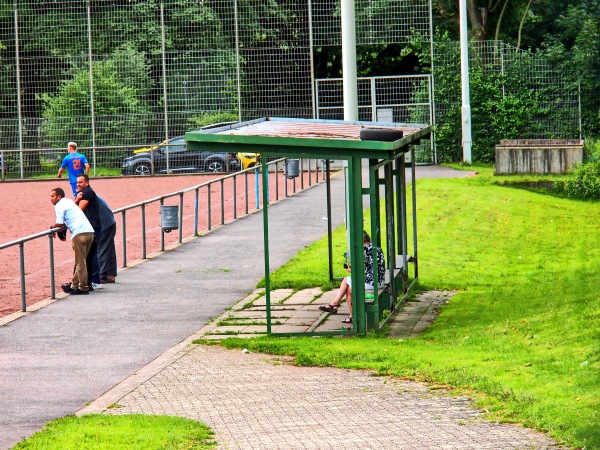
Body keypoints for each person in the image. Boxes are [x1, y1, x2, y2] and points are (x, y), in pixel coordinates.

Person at [319, 230, 385, 324]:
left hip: (372, 283)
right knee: (349, 289)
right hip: (380, 281)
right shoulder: (376, 248)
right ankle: (346, 313)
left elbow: (361, 271)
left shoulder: (364, 250)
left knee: (347, 281)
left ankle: (335, 304)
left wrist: (351, 270)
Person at [50, 187, 95, 295]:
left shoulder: (59, 205)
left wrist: (51, 227)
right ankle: (74, 285)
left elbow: (60, 223)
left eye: (52, 196)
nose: (51, 199)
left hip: (79, 234)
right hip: (89, 232)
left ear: (59, 197)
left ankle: (83, 287)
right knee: (80, 261)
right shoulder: (69, 202)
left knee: (80, 263)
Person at [75, 174, 117, 286]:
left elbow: (78, 211)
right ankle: (110, 275)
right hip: (109, 221)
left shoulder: (86, 194)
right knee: (108, 249)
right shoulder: (90, 193)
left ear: (87, 183)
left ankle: (100, 277)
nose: (78, 184)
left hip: (104, 224)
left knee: (100, 249)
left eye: (80, 182)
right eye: (77, 182)